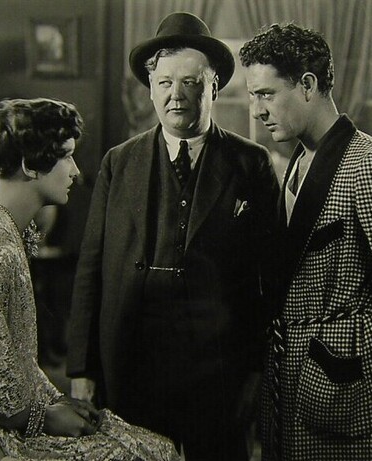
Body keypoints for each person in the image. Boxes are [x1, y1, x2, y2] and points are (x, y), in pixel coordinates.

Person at [0, 98, 179, 461]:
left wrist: (54, 402)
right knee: (150, 453)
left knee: (144, 443)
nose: (75, 171)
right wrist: (43, 417)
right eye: (66, 156)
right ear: (29, 165)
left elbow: (8, 363)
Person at [66, 12, 280, 461]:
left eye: (190, 83)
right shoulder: (118, 163)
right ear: (150, 88)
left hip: (219, 368)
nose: (175, 95)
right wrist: (82, 369)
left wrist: (258, 370)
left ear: (214, 87)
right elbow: (91, 268)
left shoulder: (250, 163)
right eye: (164, 82)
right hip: (132, 361)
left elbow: (271, 279)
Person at [239, 24, 372, 460]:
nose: (257, 110)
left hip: (350, 399)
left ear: (307, 85)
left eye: (266, 94)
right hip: (291, 387)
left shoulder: (370, 166)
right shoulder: (299, 160)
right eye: (252, 96)